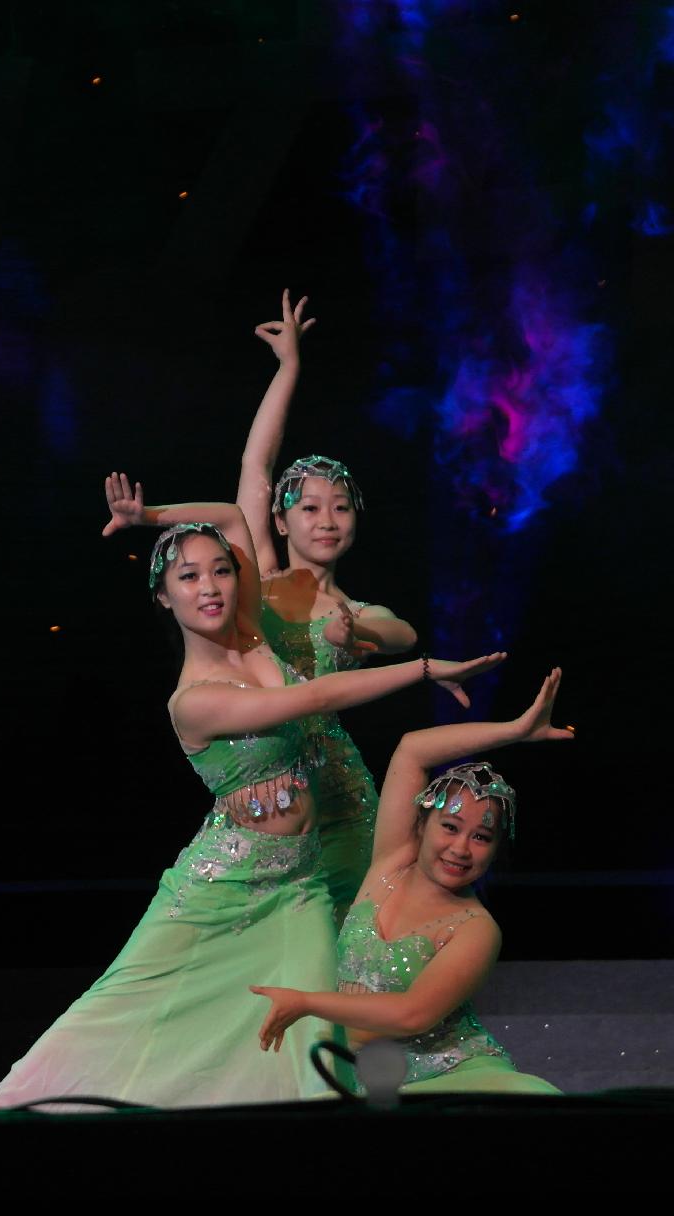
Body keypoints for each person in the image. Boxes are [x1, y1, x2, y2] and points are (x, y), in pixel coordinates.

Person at [0, 493, 504, 1110]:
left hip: (299, 882)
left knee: (308, 1033)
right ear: (163, 596)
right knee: (123, 1006)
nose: (210, 587)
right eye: (188, 576)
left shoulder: (252, 629)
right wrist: (424, 669)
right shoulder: (193, 700)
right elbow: (314, 699)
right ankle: (13, 1114)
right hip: (222, 885)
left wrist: (148, 518)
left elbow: (230, 514)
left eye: (221, 570)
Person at [251, 670, 573, 1097]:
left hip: (449, 1079)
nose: (460, 848)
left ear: (496, 850)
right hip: (363, 1075)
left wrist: (307, 1002)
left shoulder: (476, 929)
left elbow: (411, 1015)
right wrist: (515, 730)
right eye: (450, 827)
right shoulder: (390, 865)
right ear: (421, 826)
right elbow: (413, 749)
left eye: (481, 837)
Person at [238, 290, 417, 923]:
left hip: (339, 794)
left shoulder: (358, 608)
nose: (327, 520)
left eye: (340, 507)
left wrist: (357, 629)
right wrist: (289, 367)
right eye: (310, 507)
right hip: (265, 780)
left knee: (337, 933)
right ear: (281, 521)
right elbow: (257, 463)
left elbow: (403, 635)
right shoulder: (261, 578)